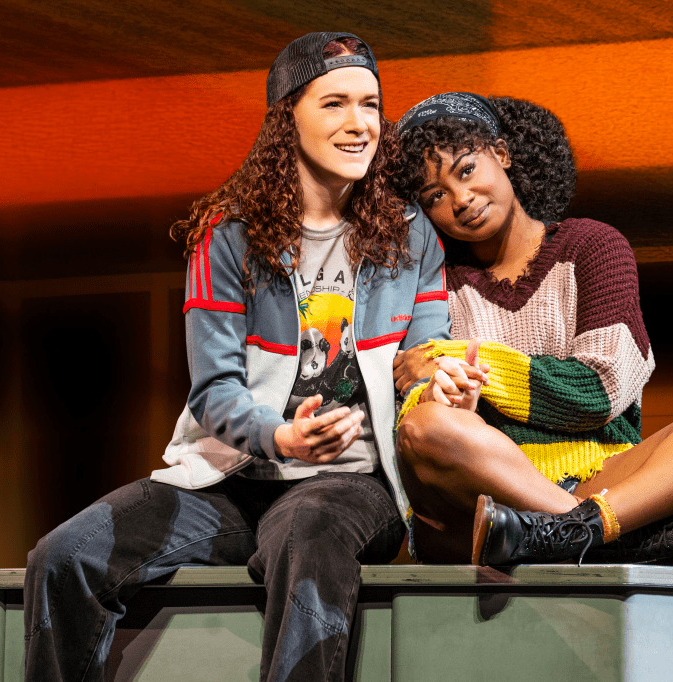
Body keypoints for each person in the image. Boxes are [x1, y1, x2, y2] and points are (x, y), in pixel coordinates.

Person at [23, 33, 457, 682]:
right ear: (287, 119)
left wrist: (443, 383)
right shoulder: (228, 238)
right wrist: (280, 437)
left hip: (350, 482)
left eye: (370, 105)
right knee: (64, 556)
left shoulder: (410, 233)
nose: (359, 123)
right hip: (228, 479)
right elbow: (215, 391)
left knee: (308, 536)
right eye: (334, 103)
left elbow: (424, 358)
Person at [390, 93, 673, 566]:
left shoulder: (593, 246)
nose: (461, 199)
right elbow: (417, 399)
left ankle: (568, 531)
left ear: (502, 153)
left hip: (603, 475)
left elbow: (597, 391)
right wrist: (445, 397)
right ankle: (607, 534)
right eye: (435, 196)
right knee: (423, 427)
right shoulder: (436, 279)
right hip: (492, 491)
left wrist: (473, 360)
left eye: (466, 170)